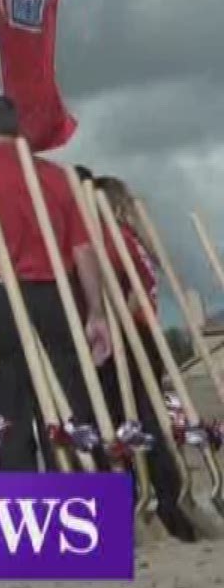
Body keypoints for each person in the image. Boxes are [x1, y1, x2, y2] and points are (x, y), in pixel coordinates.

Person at [0, 96, 108, 472]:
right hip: (56, 298)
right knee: (66, 403)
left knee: (4, 407)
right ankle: (71, 495)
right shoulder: (56, 175)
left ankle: (15, 497)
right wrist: (96, 311)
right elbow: (83, 248)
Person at [91, 175, 197, 541]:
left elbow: (134, 287)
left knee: (127, 417)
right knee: (142, 415)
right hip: (146, 334)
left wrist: (114, 324)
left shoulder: (113, 235)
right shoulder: (134, 236)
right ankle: (163, 495)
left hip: (131, 333)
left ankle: (152, 496)